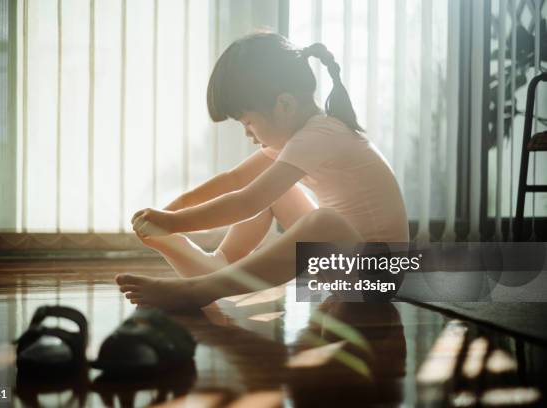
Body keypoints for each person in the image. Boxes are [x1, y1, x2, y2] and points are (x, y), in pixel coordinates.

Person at [116, 32, 408, 310]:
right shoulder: (298, 135)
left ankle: (200, 290)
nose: (248, 134)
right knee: (273, 192)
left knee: (323, 222)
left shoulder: (321, 134)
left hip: (376, 278)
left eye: (248, 122)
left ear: (284, 104)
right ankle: (217, 267)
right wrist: (174, 211)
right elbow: (235, 180)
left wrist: (174, 222)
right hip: (346, 266)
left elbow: (246, 202)